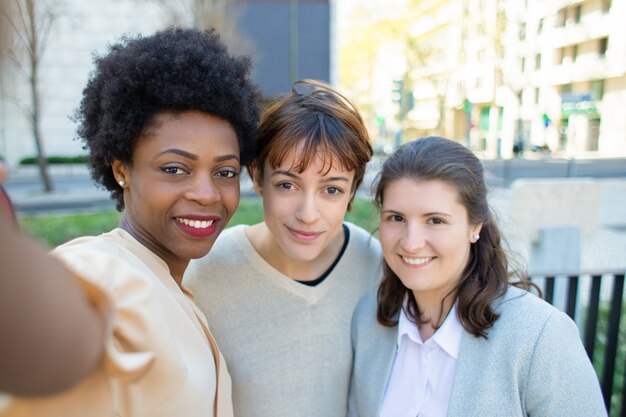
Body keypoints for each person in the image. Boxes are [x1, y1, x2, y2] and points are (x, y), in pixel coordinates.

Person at [0, 27, 259, 417]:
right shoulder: (102, 273)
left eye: (225, 172)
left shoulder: (173, 283)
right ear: (122, 169)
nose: (207, 194)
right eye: (175, 169)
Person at [348, 136, 606, 417]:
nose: (411, 243)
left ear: (475, 226)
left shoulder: (540, 337)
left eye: (435, 220)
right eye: (396, 218)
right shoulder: (367, 322)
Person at [185, 79, 382, 417]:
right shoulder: (205, 273)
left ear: (352, 192)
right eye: (287, 184)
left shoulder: (371, 262)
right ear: (258, 179)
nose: (307, 214)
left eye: (331, 190)